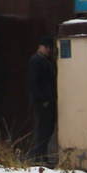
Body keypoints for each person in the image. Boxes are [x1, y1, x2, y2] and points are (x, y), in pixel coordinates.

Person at [27, 35, 57, 164]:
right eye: (46, 47)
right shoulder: (36, 61)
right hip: (43, 102)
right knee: (44, 129)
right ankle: (38, 157)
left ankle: (41, 156)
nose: (48, 49)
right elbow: (33, 83)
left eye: (50, 47)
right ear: (39, 47)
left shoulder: (47, 60)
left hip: (49, 100)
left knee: (47, 128)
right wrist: (43, 100)